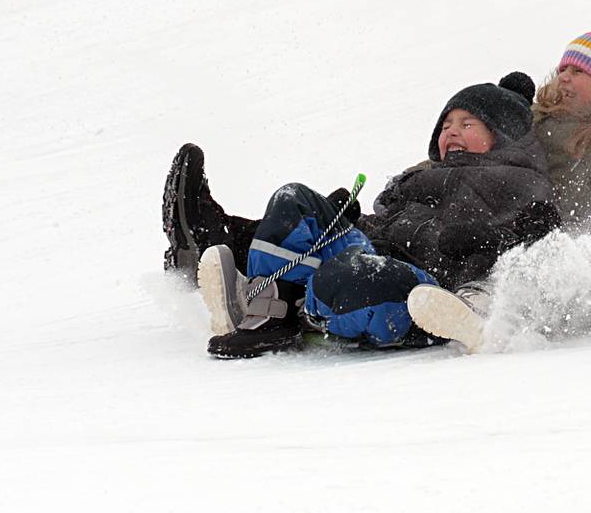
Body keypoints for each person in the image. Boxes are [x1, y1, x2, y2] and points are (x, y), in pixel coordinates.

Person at [162, 73, 555, 358]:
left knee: (347, 275)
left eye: (467, 124)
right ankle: (264, 305)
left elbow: (525, 242)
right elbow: (388, 224)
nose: (451, 132)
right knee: (293, 199)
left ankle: (242, 265)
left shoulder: (519, 184)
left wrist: (481, 238)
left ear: (501, 136)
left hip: (426, 283)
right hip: (376, 250)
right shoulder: (421, 176)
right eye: (446, 124)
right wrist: (346, 219)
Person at [408, 13, 591, 351]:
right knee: (475, 245)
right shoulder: (537, 121)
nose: (564, 79)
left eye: (578, 71)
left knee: (566, 268)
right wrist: (421, 173)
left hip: (575, 250)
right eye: (563, 70)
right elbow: (480, 154)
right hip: (512, 225)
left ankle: (496, 318)